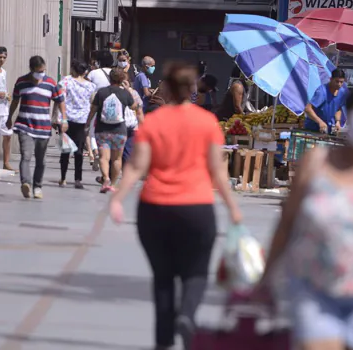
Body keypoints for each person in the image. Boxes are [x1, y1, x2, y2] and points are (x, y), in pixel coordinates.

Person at [255, 84, 353, 350]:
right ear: (349, 115)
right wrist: (266, 278)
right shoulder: (317, 162)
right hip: (314, 290)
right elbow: (287, 223)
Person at [108, 61, 242, 350]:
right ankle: (187, 316)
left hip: (154, 209)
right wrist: (233, 208)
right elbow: (218, 171)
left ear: (166, 86)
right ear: (192, 88)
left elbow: (137, 165)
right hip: (196, 208)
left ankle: (163, 341)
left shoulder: (154, 121)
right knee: (195, 272)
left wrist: (117, 198)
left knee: (163, 277)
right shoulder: (206, 122)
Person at [8, 56, 66, 199]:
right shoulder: (21, 82)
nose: (41, 73)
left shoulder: (51, 83)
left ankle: (38, 186)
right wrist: (9, 117)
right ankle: (26, 183)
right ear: (32, 69)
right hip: (24, 125)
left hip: (43, 127)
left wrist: (63, 119)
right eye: (39, 71)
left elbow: (61, 101)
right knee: (26, 156)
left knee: (41, 160)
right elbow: (15, 101)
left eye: (43, 71)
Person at [86, 68, 136, 193]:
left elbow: (93, 110)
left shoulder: (102, 92)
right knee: (117, 159)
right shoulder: (125, 93)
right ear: (122, 79)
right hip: (120, 130)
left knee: (104, 157)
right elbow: (134, 106)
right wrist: (128, 89)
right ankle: (113, 184)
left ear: (110, 78)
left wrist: (87, 124)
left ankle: (106, 178)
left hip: (102, 130)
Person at [57, 59, 96, 189]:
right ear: (85, 72)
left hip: (66, 119)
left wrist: (56, 117)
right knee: (79, 151)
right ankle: (78, 179)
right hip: (82, 121)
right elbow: (92, 102)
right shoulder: (91, 86)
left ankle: (63, 178)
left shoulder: (65, 82)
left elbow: (60, 100)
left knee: (65, 150)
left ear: (73, 69)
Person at [304, 69, 348, 134]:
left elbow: (338, 108)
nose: (339, 84)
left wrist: (337, 121)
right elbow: (307, 109)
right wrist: (320, 122)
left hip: (328, 130)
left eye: (341, 82)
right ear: (331, 79)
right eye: (337, 81)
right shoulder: (322, 91)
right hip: (313, 129)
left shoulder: (342, 92)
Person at [121, 80, 145, 167]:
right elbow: (139, 109)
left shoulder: (114, 92)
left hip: (119, 125)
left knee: (119, 151)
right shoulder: (134, 92)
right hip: (133, 124)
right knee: (128, 150)